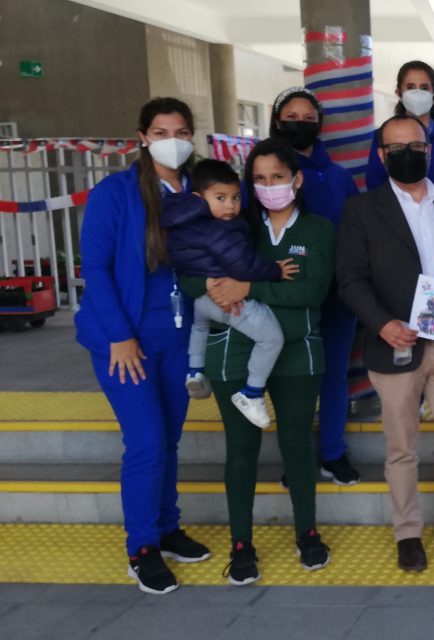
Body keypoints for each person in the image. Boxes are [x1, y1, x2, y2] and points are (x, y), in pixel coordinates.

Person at [338, 114, 434, 572]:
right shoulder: (362, 211)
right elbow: (350, 280)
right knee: (401, 448)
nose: (410, 153)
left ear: (429, 149)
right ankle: (408, 532)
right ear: (382, 155)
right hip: (394, 344)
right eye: (398, 147)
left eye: (417, 145)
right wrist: (383, 324)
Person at [181, 137, 335, 584]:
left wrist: (247, 287)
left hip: (298, 354)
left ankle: (307, 533)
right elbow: (191, 278)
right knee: (241, 451)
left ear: (297, 179)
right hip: (234, 356)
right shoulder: (234, 223)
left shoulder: (319, 230)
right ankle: (242, 545)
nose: (269, 186)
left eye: (278, 177)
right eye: (260, 179)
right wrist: (214, 285)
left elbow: (311, 291)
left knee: (296, 447)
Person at [76, 97, 212, 595]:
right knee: (148, 441)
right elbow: (97, 270)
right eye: (160, 131)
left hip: (179, 335)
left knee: (169, 439)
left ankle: (168, 526)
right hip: (125, 340)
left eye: (180, 131)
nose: (171, 140)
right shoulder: (114, 194)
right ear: (142, 137)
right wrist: (120, 337)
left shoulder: (199, 192)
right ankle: (142, 546)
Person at [270, 87, 363, 485]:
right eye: (292, 115)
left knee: (334, 375)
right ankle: (295, 457)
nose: (301, 123)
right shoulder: (261, 176)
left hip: (336, 296)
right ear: (277, 121)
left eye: (309, 117)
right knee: (292, 377)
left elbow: (357, 235)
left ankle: (332, 453)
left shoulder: (340, 178)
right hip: (284, 295)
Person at [162, 159, 296, 428]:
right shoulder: (216, 229)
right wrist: (274, 270)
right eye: (220, 197)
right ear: (198, 199)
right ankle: (252, 392)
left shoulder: (179, 224)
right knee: (271, 337)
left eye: (235, 197)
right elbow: (242, 264)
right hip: (228, 301)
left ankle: (195, 372)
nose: (230, 205)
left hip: (202, 300)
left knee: (200, 328)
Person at [365, 61, 434, 201]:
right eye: (410, 87)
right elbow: (375, 183)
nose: (417, 93)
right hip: (396, 220)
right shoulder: (384, 135)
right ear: (399, 92)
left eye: (424, 88)